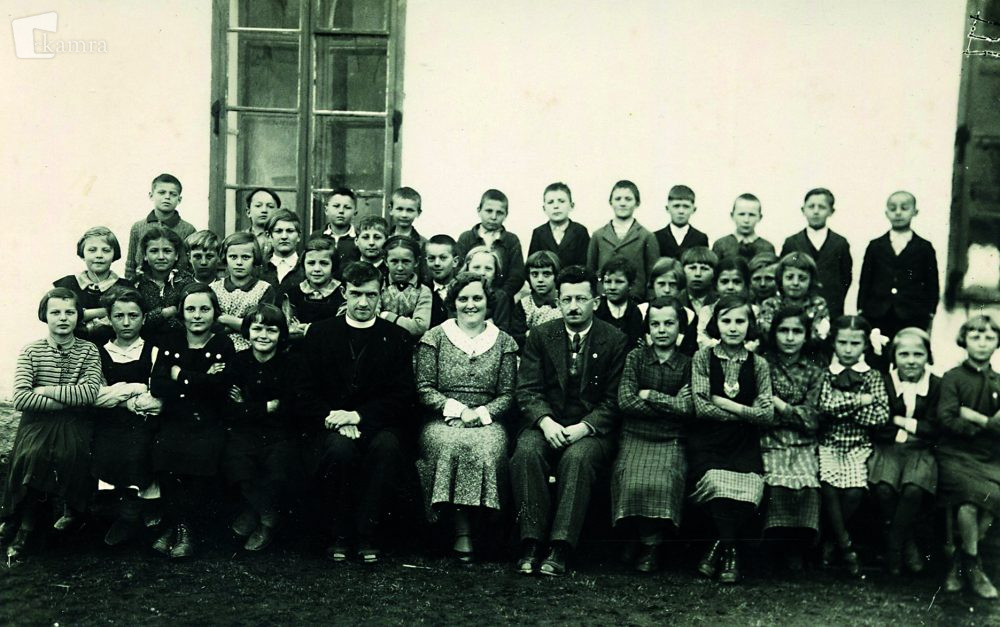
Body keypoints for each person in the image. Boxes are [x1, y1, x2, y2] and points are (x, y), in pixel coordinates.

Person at [295, 261, 415, 564]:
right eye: (356, 294)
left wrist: (358, 416)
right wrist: (337, 418)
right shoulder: (320, 333)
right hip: (330, 423)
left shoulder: (397, 337)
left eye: (371, 295)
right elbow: (303, 392)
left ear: (381, 295)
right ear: (344, 294)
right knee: (339, 450)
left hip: (378, 423)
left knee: (386, 448)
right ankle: (339, 534)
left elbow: (402, 396)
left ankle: (368, 534)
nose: (363, 302)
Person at [511, 265, 628, 577]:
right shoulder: (541, 335)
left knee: (577, 459)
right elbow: (528, 389)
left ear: (596, 302)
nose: (573, 306)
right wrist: (546, 422)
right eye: (566, 299)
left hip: (590, 430)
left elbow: (614, 399)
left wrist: (584, 428)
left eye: (581, 299)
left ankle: (560, 546)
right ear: (558, 302)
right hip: (546, 424)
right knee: (526, 452)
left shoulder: (614, 339)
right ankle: (531, 542)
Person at [414, 272, 519, 562]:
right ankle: (460, 532)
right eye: (463, 299)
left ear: (487, 301)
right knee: (450, 444)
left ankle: (486, 531)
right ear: (453, 302)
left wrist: (479, 414)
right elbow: (424, 388)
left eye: (477, 298)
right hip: (443, 419)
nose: (470, 305)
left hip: (488, 419)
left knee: (488, 447)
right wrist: (458, 411)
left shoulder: (504, 342)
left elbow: (508, 394)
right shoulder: (435, 337)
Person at [1, 288, 102, 560]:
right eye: (55, 312)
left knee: (68, 454)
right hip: (37, 421)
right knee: (34, 454)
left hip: (75, 421)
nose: (63, 318)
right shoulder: (31, 351)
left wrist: (44, 390)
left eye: (70, 312)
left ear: (78, 316)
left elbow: (89, 393)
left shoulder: (88, 350)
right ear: (44, 315)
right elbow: (21, 398)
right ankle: (24, 524)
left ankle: (67, 517)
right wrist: (69, 398)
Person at [689, 295, 774, 584]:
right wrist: (749, 412)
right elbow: (702, 408)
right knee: (716, 484)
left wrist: (727, 404)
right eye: (726, 321)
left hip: (744, 443)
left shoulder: (759, 364)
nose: (733, 327)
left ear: (750, 325)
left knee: (751, 489)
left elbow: (767, 415)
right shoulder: (703, 357)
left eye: (740, 321)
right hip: (709, 441)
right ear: (716, 323)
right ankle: (731, 551)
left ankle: (719, 547)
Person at [148, 283, 236, 558]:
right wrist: (201, 379)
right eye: (191, 309)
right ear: (182, 313)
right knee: (166, 451)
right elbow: (157, 385)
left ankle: (184, 529)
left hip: (210, 419)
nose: (197, 315)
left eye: (204, 309)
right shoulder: (170, 341)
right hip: (176, 417)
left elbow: (220, 388)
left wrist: (179, 374)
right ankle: (178, 525)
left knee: (201, 455)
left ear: (215, 312)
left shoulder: (223, 343)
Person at [612, 297, 693, 573]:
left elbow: (688, 407)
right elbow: (626, 401)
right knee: (630, 479)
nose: (661, 330)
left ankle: (651, 545)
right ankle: (639, 537)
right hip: (635, 434)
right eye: (655, 324)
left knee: (664, 481)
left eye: (669, 323)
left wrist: (649, 395)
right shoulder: (636, 358)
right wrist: (670, 403)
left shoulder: (687, 364)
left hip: (671, 438)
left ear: (680, 327)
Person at [224, 304, 300, 552]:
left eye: (271, 330)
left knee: (276, 465)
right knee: (239, 463)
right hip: (244, 431)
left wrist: (247, 405)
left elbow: (290, 407)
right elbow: (229, 407)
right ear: (247, 332)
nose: (263, 336)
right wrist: (267, 406)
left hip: (280, 432)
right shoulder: (238, 362)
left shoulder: (290, 365)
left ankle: (265, 520)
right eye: (257, 329)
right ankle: (263, 512)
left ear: (281, 334)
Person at [817, 315, 889, 577]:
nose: (848, 349)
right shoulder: (826, 374)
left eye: (855, 343)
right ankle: (845, 545)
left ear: (866, 345)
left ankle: (831, 538)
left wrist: (842, 406)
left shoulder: (872, 376)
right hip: (829, 442)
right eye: (843, 343)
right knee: (828, 485)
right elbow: (825, 406)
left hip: (858, 444)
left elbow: (880, 416)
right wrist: (860, 401)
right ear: (833, 343)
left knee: (855, 491)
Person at [935, 315, 1000, 599]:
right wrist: (987, 425)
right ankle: (973, 565)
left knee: (994, 497)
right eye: (975, 337)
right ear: (964, 340)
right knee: (969, 500)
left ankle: (961, 560)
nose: (982, 343)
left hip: (990, 456)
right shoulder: (953, 377)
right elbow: (947, 418)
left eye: (989, 338)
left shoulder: (998, 381)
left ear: (997, 343)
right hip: (956, 454)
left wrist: (974, 417)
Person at [91, 288, 163, 546]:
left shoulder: (153, 351)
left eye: (133, 316)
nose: (126, 322)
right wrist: (133, 391)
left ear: (143, 318)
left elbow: (155, 394)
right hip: (109, 420)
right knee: (106, 446)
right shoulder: (99, 353)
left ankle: (144, 506)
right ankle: (123, 511)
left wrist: (119, 393)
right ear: (109, 319)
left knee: (141, 447)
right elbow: (96, 395)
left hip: (144, 420)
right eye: (118, 316)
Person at [869, 328, 940, 576]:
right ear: (894, 356)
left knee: (913, 489)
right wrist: (910, 431)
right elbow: (879, 424)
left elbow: (935, 427)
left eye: (918, 354)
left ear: (928, 356)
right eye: (904, 354)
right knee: (884, 489)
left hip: (920, 451)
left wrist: (900, 421)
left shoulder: (936, 385)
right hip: (888, 448)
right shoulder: (884, 382)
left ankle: (894, 547)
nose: (911, 361)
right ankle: (905, 541)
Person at [760, 306, 824, 571]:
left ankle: (797, 547)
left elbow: (812, 418)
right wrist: (792, 413)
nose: (789, 337)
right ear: (774, 333)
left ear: (806, 336)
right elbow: (762, 411)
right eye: (783, 330)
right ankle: (773, 544)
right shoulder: (763, 365)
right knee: (776, 484)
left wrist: (781, 406)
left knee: (807, 484)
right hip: (769, 437)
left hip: (803, 441)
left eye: (796, 331)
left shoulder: (814, 371)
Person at [857, 190, 939, 343]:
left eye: (904, 208)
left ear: (915, 212)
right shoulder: (875, 246)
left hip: (912, 314)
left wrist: (930, 312)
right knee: (878, 350)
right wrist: (862, 308)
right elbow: (865, 280)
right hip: (878, 313)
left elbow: (932, 283)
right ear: (886, 213)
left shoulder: (924, 247)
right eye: (893, 208)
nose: (898, 213)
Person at [780, 188, 852, 320]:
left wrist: (835, 299)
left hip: (831, 307)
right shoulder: (792, 242)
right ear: (803, 210)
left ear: (831, 211)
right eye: (811, 206)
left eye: (822, 207)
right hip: (798, 307)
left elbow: (845, 277)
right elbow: (784, 271)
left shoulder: (840, 243)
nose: (816, 211)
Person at [53, 226, 133, 345]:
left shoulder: (125, 287)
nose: (99, 255)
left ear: (114, 254)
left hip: (115, 350)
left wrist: (83, 314)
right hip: (73, 349)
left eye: (106, 250)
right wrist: (108, 311)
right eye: (92, 250)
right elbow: (58, 316)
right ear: (82, 254)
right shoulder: (67, 285)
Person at [587, 180, 660, 301]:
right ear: (611, 202)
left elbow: (653, 275)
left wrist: (649, 301)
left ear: (637, 203)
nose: (622, 203)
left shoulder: (646, 236)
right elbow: (590, 271)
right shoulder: (598, 235)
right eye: (618, 199)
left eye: (628, 199)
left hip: (635, 299)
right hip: (604, 298)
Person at [757, 252, 831, 361]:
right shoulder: (770, 304)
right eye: (789, 277)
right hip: (774, 358)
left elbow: (820, 334)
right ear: (780, 279)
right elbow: (767, 333)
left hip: (809, 357)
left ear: (811, 280)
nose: (795, 283)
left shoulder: (817, 304)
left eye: (802, 278)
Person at [209, 232, 276, 351]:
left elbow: (262, 326)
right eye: (233, 257)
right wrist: (245, 324)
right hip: (218, 349)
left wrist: (226, 319)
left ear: (254, 258)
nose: (239, 262)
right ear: (225, 258)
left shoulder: (264, 289)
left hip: (252, 350)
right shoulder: (214, 288)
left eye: (245, 257)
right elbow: (211, 325)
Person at [456, 189, 526, 298]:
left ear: (506, 215)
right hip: (471, 296)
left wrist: (499, 296)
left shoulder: (511, 240)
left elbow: (517, 276)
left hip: (501, 299)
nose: (493, 217)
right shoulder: (466, 238)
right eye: (489, 211)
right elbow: (458, 269)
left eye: (499, 213)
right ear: (479, 210)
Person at [124, 173, 196, 280]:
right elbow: (131, 265)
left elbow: (191, 266)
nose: (167, 197)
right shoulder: (138, 227)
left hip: (177, 284)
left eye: (173, 194)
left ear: (179, 199)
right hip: (143, 283)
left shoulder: (188, 230)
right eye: (162, 192)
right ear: (151, 195)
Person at [132, 226, 196, 344]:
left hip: (182, 344)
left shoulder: (187, 282)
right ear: (145, 255)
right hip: (144, 345)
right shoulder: (137, 284)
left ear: (176, 255)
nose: (161, 257)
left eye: (167, 251)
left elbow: (191, 316)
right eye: (154, 251)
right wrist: (165, 313)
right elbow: (135, 320)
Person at [277, 236, 344, 340]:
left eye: (324, 263)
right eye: (311, 263)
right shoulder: (293, 295)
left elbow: (340, 329)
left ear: (333, 265)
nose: (317, 269)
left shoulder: (342, 294)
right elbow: (287, 329)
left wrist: (308, 330)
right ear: (303, 265)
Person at [379, 235, 433, 337]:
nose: (400, 267)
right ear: (386, 261)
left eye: (406, 261)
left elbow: (420, 326)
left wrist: (386, 315)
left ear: (416, 262)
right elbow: (372, 318)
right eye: (394, 261)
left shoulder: (423, 291)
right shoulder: (379, 286)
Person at [527, 182, 590, 269]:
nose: (556, 206)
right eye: (550, 202)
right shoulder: (539, 233)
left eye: (561, 201)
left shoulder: (580, 231)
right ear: (544, 208)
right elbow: (532, 264)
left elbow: (585, 265)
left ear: (571, 206)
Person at [511, 250, 563, 348]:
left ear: (556, 275)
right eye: (534, 274)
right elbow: (517, 338)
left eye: (546, 274)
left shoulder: (565, 301)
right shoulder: (524, 305)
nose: (540, 280)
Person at [648, 257, 698, 356]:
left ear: (680, 288)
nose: (667, 290)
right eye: (661, 284)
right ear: (653, 284)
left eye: (672, 284)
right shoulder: (641, 310)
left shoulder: (689, 315)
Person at [463, 246, 514, 339]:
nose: (482, 272)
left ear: (495, 274)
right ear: (467, 269)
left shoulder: (500, 297)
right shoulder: (459, 293)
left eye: (488, 268)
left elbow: (503, 330)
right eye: (476, 267)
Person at [595, 257, 645, 349]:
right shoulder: (597, 310)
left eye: (619, 282)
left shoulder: (634, 311)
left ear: (630, 285)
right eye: (608, 282)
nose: (612, 287)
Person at [711, 193, 775, 263]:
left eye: (752, 215)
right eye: (741, 214)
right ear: (732, 216)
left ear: (760, 217)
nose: (746, 220)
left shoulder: (767, 248)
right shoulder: (721, 245)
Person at [653, 184, 709, 261]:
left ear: (694, 209)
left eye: (686, 206)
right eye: (676, 206)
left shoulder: (700, 238)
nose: (681, 211)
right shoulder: (655, 237)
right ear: (667, 208)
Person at [318, 187, 360, 280]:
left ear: (355, 213)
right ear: (326, 210)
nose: (341, 211)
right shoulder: (317, 236)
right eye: (336, 206)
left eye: (347, 207)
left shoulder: (360, 239)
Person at [259, 209, 303, 289]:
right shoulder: (260, 268)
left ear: (299, 236)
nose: (284, 237)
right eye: (278, 231)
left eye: (290, 231)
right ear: (269, 236)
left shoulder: (305, 267)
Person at [425, 234, 460, 328]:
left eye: (443, 258)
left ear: (455, 261)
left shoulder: (463, 289)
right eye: (431, 258)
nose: (437, 263)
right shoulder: (422, 290)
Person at [244, 187, 280, 261]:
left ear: (278, 212)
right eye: (258, 206)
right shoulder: (241, 238)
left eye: (270, 206)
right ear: (248, 212)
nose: (264, 210)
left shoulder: (283, 238)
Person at [355, 215, 390, 284]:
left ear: (387, 241)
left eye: (377, 237)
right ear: (356, 241)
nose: (371, 243)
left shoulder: (390, 272)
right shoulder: (347, 270)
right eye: (365, 237)